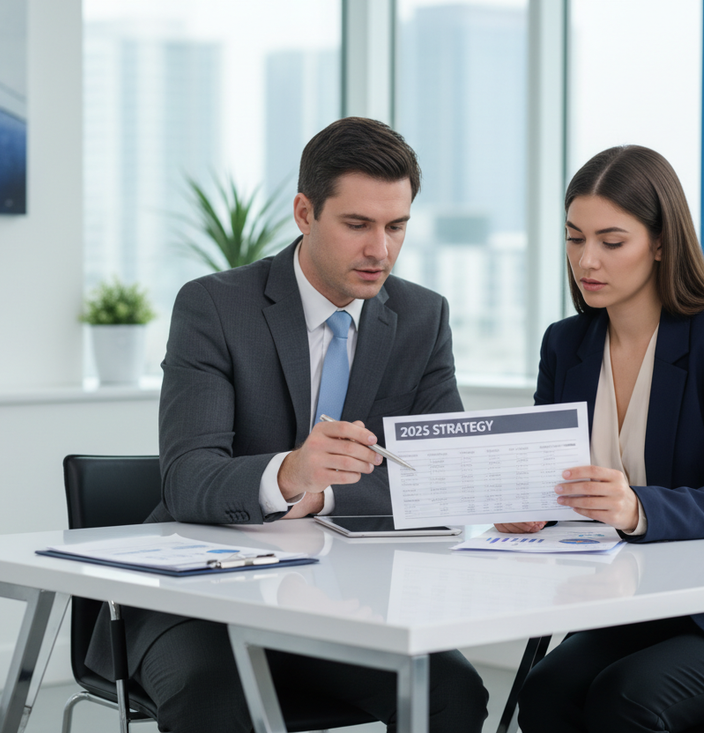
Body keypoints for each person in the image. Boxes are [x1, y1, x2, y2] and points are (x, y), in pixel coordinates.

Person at [86, 117, 488, 733]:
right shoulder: (215, 306)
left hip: (344, 594)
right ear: (305, 213)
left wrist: (323, 493)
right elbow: (189, 479)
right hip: (202, 603)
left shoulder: (421, 316)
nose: (380, 250)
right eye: (357, 224)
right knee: (219, 699)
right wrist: (291, 472)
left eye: (396, 226)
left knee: (448, 693)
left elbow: (443, 479)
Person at [496, 145, 704, 732]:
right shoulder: (565, 344)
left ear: (659, 243)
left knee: (628, 698)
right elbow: (553, 477)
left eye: (611, 241)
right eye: (575, 238)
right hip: (630, 601)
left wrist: (636, 508)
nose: (586, 260)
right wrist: (529, 507)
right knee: (545, 692)